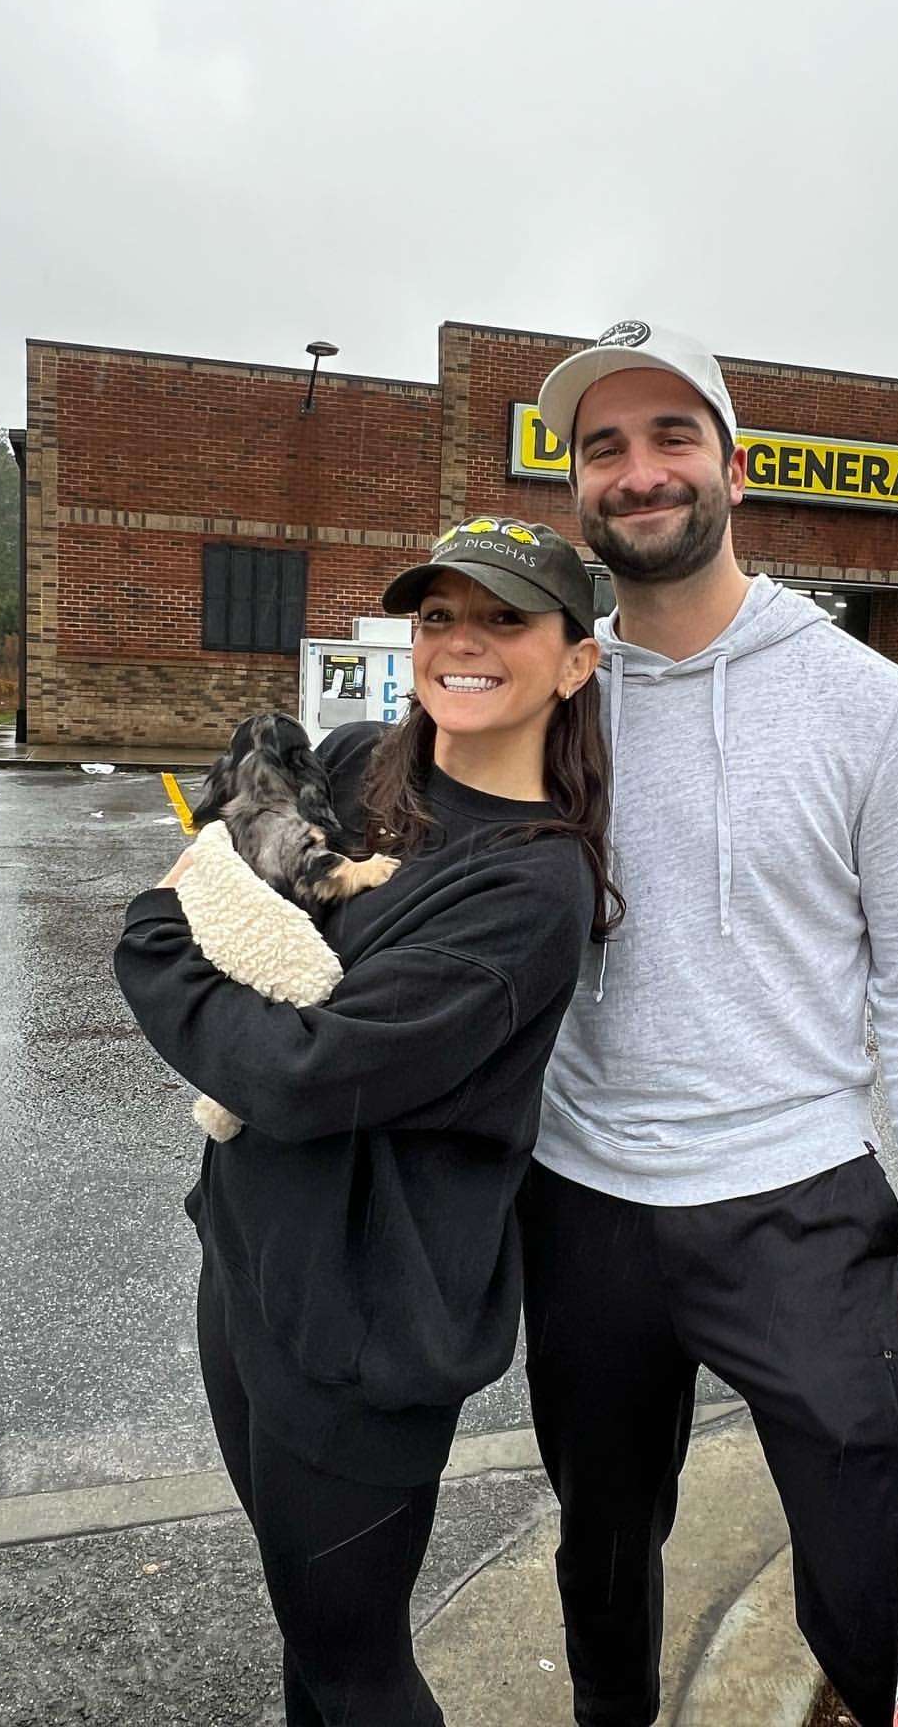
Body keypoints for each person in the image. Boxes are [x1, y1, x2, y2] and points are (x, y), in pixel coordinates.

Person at [519, 323, 898, 1727]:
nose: (638, 473)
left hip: (798, 1203)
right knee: (602, 1554)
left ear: (733, 466)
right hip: (583, 1206)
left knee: (872, 1594)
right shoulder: (548, 696)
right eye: (602, 449)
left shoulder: (869, 706)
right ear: (577, 493)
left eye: (670, 437)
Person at [115, 520, 613, 1726]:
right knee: (304, 1633)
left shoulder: (532, 886)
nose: (462, 643)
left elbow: (300, 1069)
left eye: (504, 619)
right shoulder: (356, 763)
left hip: (366, 1328)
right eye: (439, 616)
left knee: (356, 1669)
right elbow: (228, 858)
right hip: (248, 1259)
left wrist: (150, 940)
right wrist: (196, 911)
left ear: (575, 662)